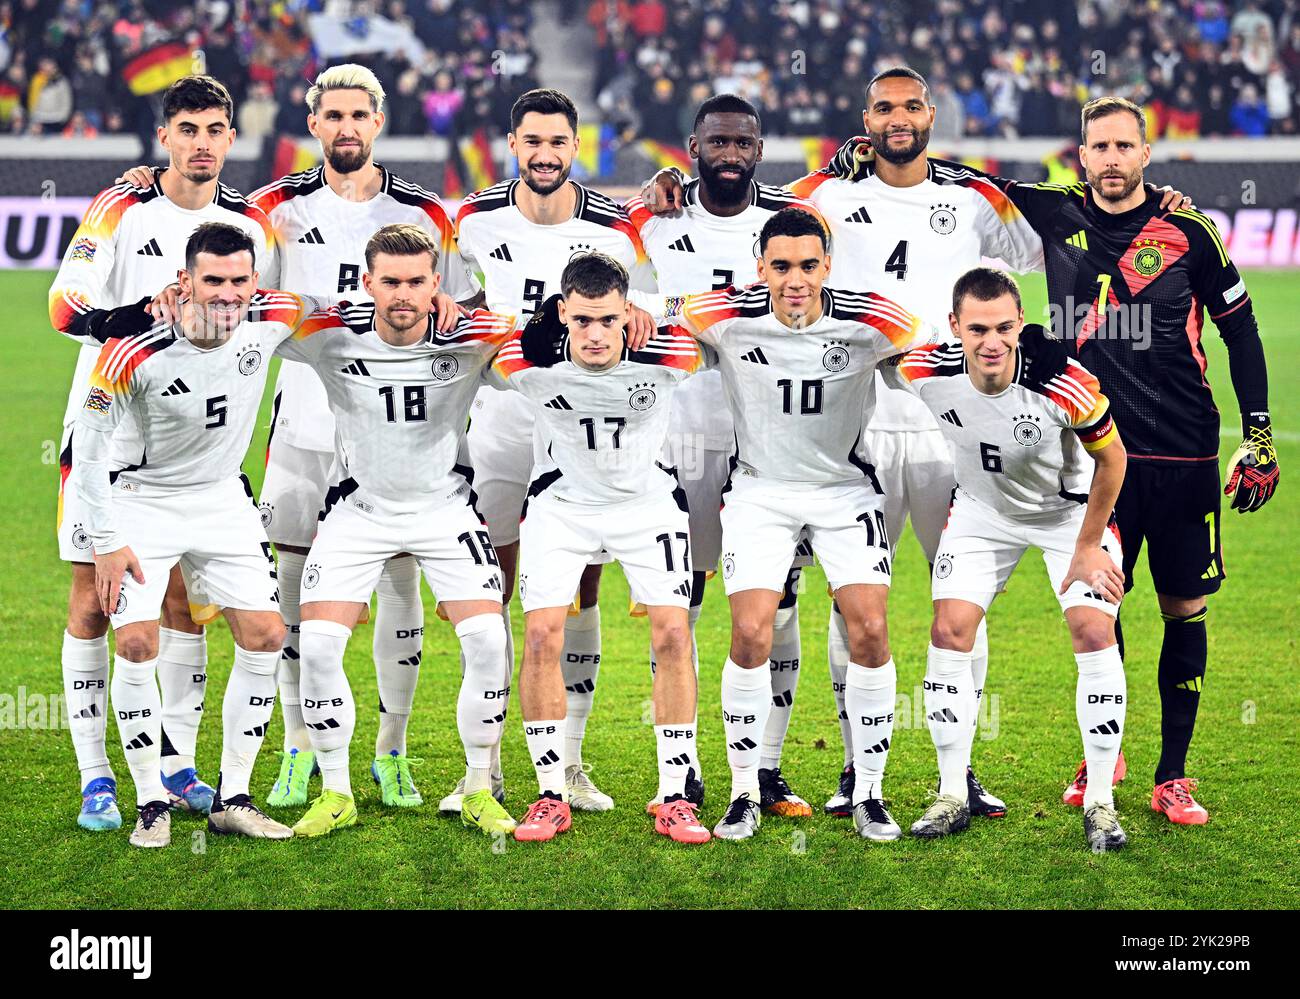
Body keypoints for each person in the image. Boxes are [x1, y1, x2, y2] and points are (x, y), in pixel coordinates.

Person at [125, 64, 483, 812]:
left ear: (378, 121)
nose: (347, 128)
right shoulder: (272, 207)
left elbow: (463, 299)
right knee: (290, 589)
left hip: (391, 427)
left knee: (399, 580)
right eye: (333, 116)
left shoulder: (424, 210)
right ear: (313, 124)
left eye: (360, 115)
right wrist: (143, 182)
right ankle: (296, 747)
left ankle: (392, 749)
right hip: (300, 418)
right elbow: (211, 248)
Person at [957, 97, 1278, 823]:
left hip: (1184, 450)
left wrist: (1257, 433)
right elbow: (954, 181)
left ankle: (1173, 774)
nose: (1109, 159)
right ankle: (1106, 753)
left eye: (1122, 146)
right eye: (1096, 146)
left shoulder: (1190, 231)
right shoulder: (1050, 209)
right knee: (1100, 604)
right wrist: (863, 150)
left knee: (1182, 607)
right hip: (1094, 454)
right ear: (1081, 152)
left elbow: (1243, 333)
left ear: (1144, 151)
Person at [49, 75, 275, 831]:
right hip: (109, 435)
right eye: (187, 128)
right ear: (164, 137)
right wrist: (120, 320)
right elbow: (62, 304)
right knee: (94, 604)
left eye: (215, 128)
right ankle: (95, 776)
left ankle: (173, 761)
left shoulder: (250, 221)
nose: (201, 142)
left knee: (186, 605)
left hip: (196, 449)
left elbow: (265, 313)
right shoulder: (123, 204)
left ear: (232, 137)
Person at [668, 207, 934, 842]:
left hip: (847, 493)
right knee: (752, 632)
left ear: (828, 267)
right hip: (760, 492)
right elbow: (649, 315)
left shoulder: (873, 320)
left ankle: (867, 791)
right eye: (781, 266)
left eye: (809, 266)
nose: (795, 280)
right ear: (759, 266)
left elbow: (934, 355)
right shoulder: (722, 316)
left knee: (869, 630)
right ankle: (742, 792)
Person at [449, 87, 657, 814]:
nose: (544, 154)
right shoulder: (470, 219)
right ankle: (482, 770)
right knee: (496, 592)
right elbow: (446, 310)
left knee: (580, 591)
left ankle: (566, 762)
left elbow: (648, 313)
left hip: (584, 430)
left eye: (558, 143)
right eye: (531, 141)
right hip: (504, 421)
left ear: (577, 147)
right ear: (514, 144)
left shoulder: (617, 228)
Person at [272, 224, 517, 840]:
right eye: (390, 282)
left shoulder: (471, 336)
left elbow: (546, 334)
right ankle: (335, 791)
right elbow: (255, 316)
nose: (402, 295)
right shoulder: (331, 335)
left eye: (416, 282)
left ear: (436, 282)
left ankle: (479, 787)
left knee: (489, 640)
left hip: (446, 509)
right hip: (359, 511)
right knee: (321, 646)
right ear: (367, 280)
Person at [74, 222, 310, 846]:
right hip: (140, 502)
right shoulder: (132, 352)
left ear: (255, 282)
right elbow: (89, 455)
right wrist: (105, 541)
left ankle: (232, 795)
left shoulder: (270, 320)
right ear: (185, 282)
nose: (228, 296)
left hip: (223, 498)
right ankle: (151, 797)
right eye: (213, 282)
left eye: (239, 281)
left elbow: (317, 307)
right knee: (137, 646)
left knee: (265, 635)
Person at [625, 93, 824, 817]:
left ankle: (766, 768)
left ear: (761, 148)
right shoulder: (655, 216)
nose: (732, 153)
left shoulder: (790, 220)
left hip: (767, 437)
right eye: (719, 142)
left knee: (777, 600)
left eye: (744, 141)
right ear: (694, 145)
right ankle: (677, 772)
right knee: (678, 602)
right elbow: (606, 278)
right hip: (675, 432)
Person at [883, 268, 1130, 851]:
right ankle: (950, 793)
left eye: (1003, 328)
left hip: (1067, 519)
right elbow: (874, 348)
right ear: (954, 328)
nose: (991, 342)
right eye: (976, 329)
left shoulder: (1064, 384)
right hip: (980, 514)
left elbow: (1114, 461)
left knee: (1094, 631)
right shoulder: (925, 371)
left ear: (1021, 325)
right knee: (949, 629)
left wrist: (1089, 544)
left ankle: (1100, 800)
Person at [486, 253, 710, 845]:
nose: (595, 334)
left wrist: (654, 310)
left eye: (609, 320)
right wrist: (537, 320)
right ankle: (551, 794)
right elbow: (492, 329)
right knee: (540, 636)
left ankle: (675, 795)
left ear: (625, 313)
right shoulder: (527, 364)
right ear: (563, 312)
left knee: (671, 634)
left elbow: (707, 307)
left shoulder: (668, 356)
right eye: (582, 319)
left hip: (648, 507)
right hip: (562, 509)